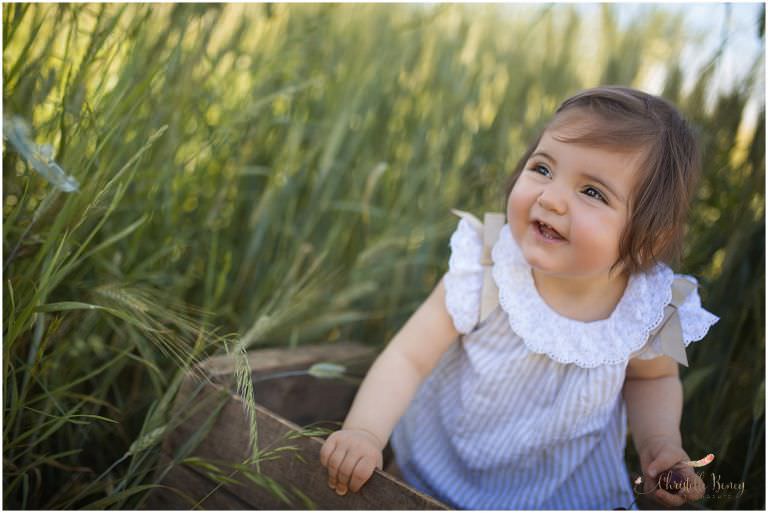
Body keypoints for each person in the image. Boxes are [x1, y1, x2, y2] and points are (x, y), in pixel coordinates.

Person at [319, 86, 720, 509]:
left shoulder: (650, 307)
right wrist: (365, 433)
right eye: (543, 168)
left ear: (646, 240)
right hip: (435, 468)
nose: (550, 198)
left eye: (592, 193)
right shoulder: (488, 264)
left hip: (561, 490)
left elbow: (653, 379)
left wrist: (659, 445)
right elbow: (408, 357)